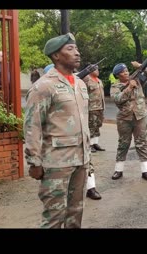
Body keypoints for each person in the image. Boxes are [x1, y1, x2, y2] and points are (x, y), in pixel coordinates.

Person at [23, 33, 90, 228]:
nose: (77, 53)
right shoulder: (44, 86)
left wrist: (88, 156)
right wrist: (34, 161)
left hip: (81, 159)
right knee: (54, 217)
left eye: (77, 49)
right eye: (70, 49)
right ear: (56, 56)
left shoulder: (80, 84)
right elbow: (32, 126)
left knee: (75, 214)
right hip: (56, 163)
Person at [110, 63, 147, 181]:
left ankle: (145, 171)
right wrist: (129, 88)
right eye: (123, 72)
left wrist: (141, 66)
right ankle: (118, 170)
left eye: (127, 70)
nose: (126, 73)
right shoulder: (115, 86)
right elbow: (118, 99)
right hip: (125, 118)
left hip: (140, 116)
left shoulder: (138, 81)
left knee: (142, 143)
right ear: (118, 75)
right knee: (123, 144)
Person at [81, 64, 105, 200]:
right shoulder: (85, 80)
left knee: (96, 127)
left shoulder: (99, 81)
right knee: (91, 127)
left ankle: (95, 144)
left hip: (99, 107)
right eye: (95, 68)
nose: (97, 70)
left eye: (97, 68)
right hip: (90, 108)